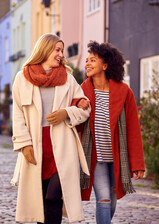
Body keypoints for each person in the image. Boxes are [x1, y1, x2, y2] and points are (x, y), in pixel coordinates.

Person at [11, 33, 91, 224]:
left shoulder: (68, 79)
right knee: (40, 199)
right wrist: (24, 144)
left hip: (63, 146)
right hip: (37, 145)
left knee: (53, 197)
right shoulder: (22, 78)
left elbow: (84, 108)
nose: (61, 54)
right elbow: (18, 114)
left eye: (62, 51)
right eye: (57, 50)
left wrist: (67, 113)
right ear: (45, 50)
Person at [76, 41, 145, 224]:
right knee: (104, 199)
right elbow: (73, 117)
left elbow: (132, 129)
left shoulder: (124, 92)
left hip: (116, 158)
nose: (87, 64)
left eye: (93, 60)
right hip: (95, 157)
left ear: (105, 65)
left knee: (112, 202)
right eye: (87, 60)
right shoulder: (82, 90)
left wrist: (137, 163)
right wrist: (77, 104)